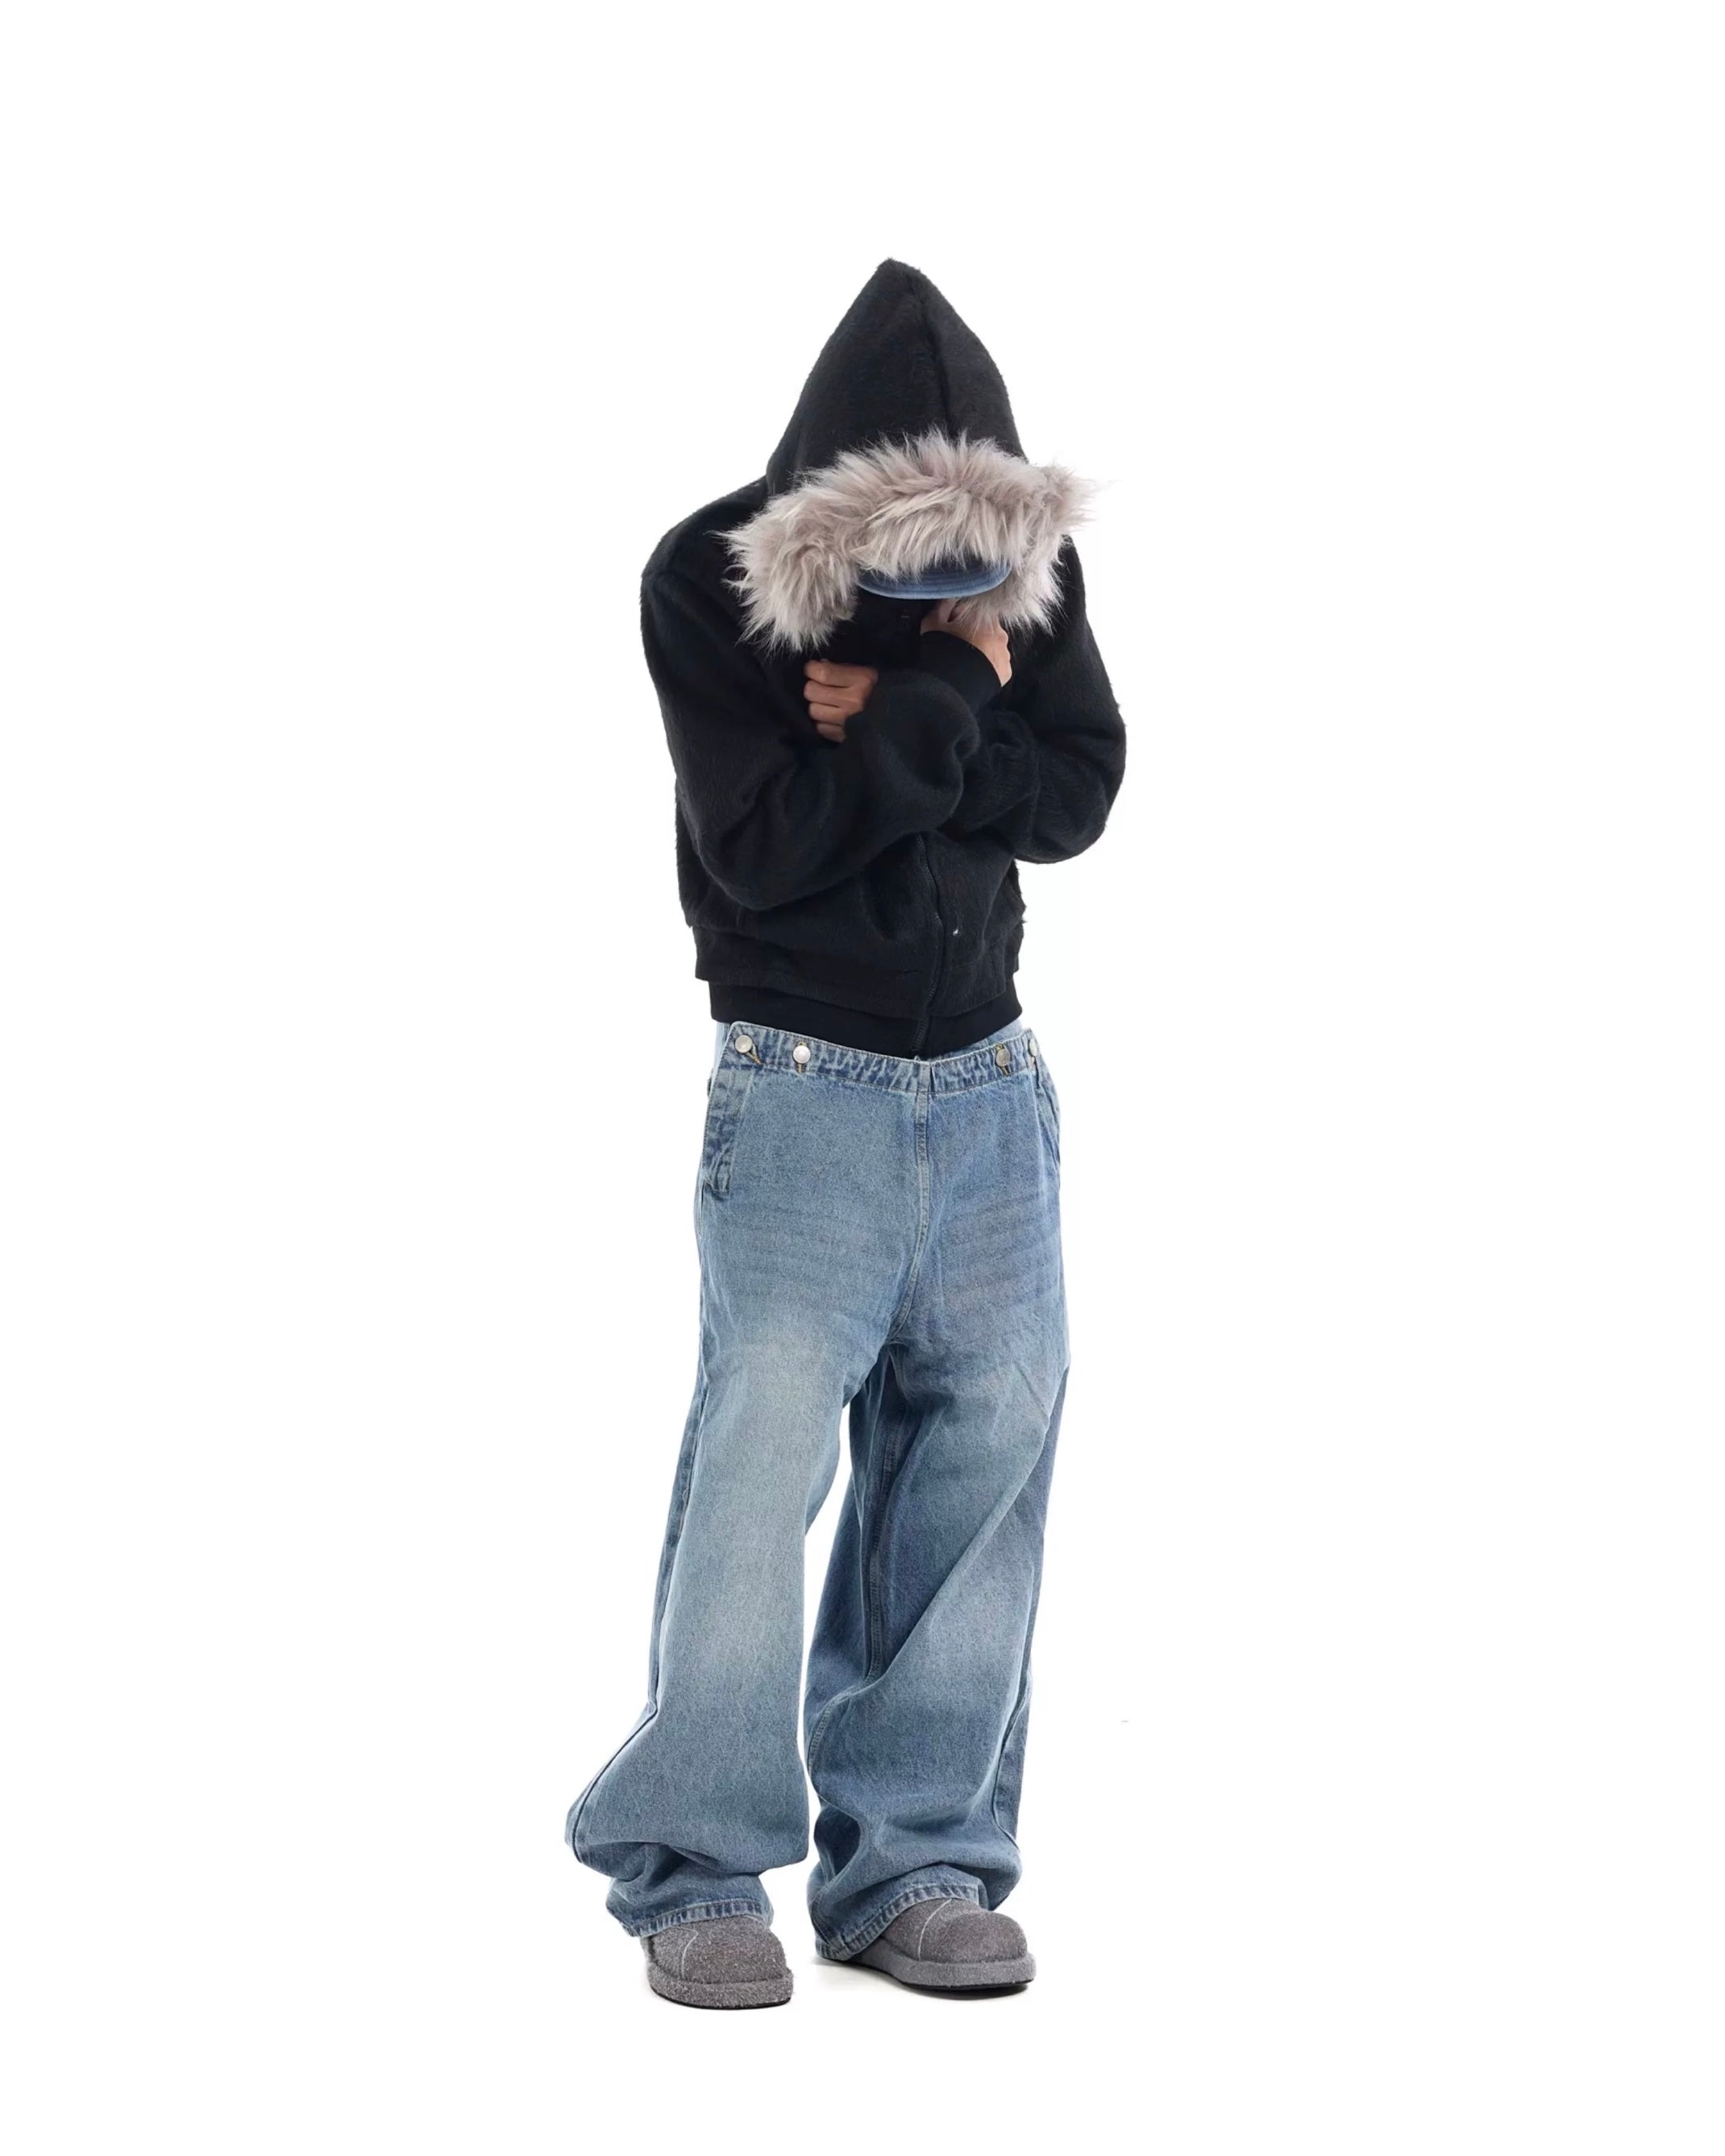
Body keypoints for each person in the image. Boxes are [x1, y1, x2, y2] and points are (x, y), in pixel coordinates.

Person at [565, 259, 1127, 2007]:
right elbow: (765, 854)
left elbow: (1079, 793)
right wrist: (949, 702)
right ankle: (693, 1865)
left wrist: (896, 726)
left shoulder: (1020, 572)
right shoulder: (704, 579)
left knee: (983, 1457)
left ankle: (916, 1860)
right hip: (802, 1085)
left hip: (989, 1089)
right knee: (758, 1473)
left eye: (973, 574)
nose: (945, 594)